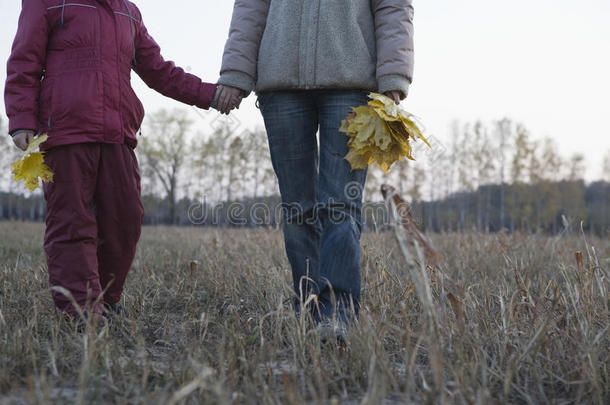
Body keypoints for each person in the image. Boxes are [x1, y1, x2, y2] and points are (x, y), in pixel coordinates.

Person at [4, 0, 224, 322]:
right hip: (65, 131)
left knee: (125, 220)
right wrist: (22, 118)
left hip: (118, 133)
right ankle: (81, 312)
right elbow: (24, 61)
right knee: (72, 223)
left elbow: (160, 72)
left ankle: (106, 301)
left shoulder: (128, 11)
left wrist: (211, 95)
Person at [217, 0, 415, 333]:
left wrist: (393, 75)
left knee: (339, 204)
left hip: (352, 86)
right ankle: (309, 309)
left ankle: (337, 313)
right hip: (280, 84)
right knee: (297, 208)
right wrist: (235, 73)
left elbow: (393, 7)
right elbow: (250, 7)